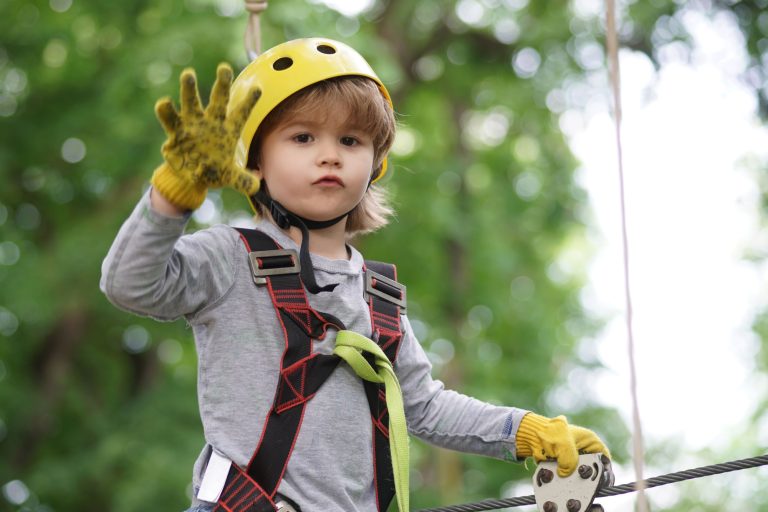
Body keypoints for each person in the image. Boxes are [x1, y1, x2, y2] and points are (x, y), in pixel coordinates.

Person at [100, 38, 610, 512]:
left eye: (350, 140)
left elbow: (425, 408)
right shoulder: (231, 258)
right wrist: (174, 194)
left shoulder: (378, 297)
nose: (329, 154)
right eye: (302, 137)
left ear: (375, 163)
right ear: (255, 160)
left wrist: (523, 431)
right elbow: (130, 283)